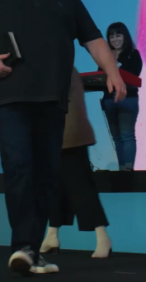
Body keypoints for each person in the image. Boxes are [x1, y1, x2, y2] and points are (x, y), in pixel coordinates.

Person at [0, 0, 125, 275]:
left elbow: (93, 39)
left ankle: (31, 250)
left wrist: (114, 72)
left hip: (53, 101)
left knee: (47, 176)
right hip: (10, 98)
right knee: (20, 167)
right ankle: (22, 245)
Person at [40, 67, 111, 258]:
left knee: (80, 186)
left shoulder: (60, 66)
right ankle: (52, 234)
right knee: (57, 187)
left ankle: (102, 236)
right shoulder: (59, 65)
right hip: (60, 134)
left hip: (68, 134)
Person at [100, 22, 142, 171]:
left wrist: (117, 69)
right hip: (109, 101)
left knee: (126, 135)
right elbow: (100, 76)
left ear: (125, 36)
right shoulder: (105, 56)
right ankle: (122, 168)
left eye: (118, 35)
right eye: (111, 36)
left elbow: (133, 76)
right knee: (117, 138)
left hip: (127, 99)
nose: (115, 39)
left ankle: (128, 169)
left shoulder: (133, 54)